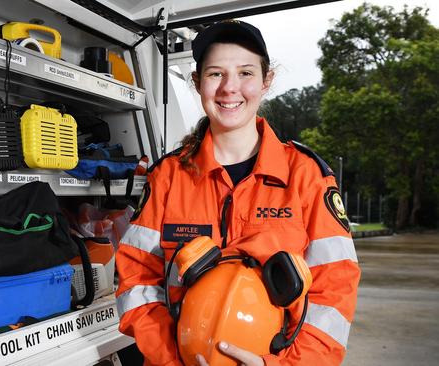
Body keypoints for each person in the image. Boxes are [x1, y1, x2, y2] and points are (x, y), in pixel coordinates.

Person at [115, 19, 360, 366]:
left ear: (266, 81)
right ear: (198, 83)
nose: (230, 88)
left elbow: (334, 292)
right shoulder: (167, 177)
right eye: (216, 74)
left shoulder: (306, 176)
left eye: (245, 73)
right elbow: (135, 281)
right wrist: (175, 360)